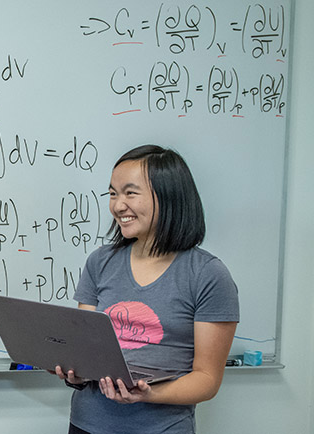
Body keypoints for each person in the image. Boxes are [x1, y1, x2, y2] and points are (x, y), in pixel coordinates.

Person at [54, 145, 239, 434]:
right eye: (113, 193)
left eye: (130, 192)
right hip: (86, 424)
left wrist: (149, 393)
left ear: (168, 196)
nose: (117, 205)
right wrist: (73, 372)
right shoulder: (100, 262)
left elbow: (207, 379)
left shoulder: (208, 274)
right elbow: (85, 349)